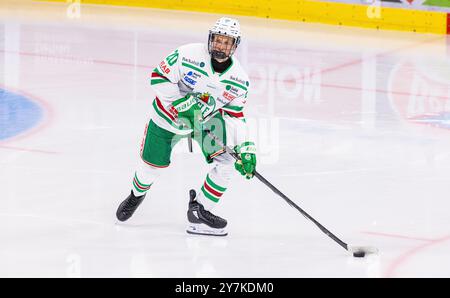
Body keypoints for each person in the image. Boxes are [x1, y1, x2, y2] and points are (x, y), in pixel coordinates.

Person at [116, 17, 256, 236]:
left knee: (227, 162)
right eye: (217, 40)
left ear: (235, 45)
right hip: (166, 117)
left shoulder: (240, 80)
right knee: (150, 170)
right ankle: (135, 196)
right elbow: (157, 76)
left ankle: (199, 212)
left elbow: (235, 116)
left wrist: (247, 148)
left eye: (226, 42)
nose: (220, 46)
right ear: (210, 39)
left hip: (205, 122)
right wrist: (179, 103)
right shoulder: (187, 54)